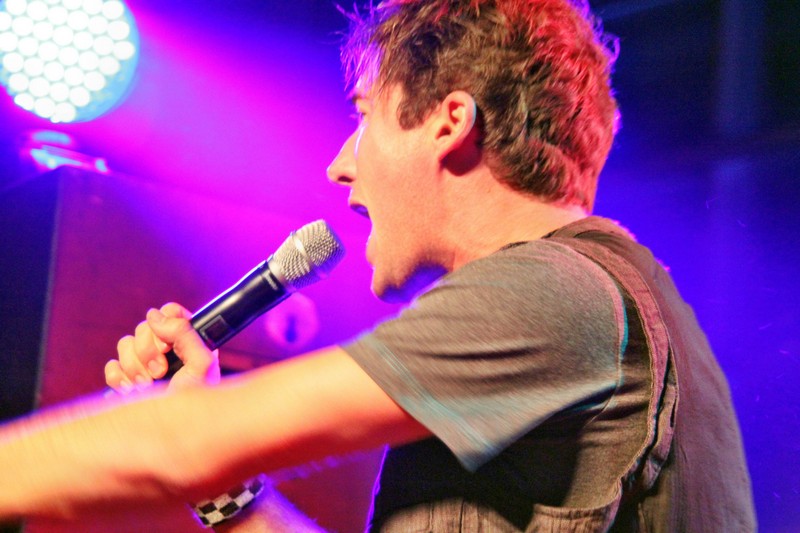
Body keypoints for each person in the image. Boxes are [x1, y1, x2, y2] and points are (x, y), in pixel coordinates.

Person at [0, 0, 756, 531]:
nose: (339, 164)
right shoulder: (593, 299)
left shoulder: (552, 290)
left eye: (364, 114)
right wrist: (225, 488)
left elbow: (179, 445)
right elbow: (192, 449)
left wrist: (189, 433)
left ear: (449, 122)